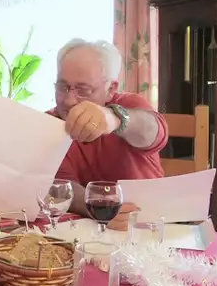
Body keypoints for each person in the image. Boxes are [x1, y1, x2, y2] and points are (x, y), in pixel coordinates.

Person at [48, 38, 168, 230]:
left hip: (150, 227)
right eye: (63, 87)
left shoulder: (131, 105)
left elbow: (156, 132)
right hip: (88, 234)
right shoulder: (50, 123)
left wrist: (116, 118)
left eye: (83, 90)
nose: (69, 101)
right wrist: (99, 208)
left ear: (111, 89)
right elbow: (60, 185)